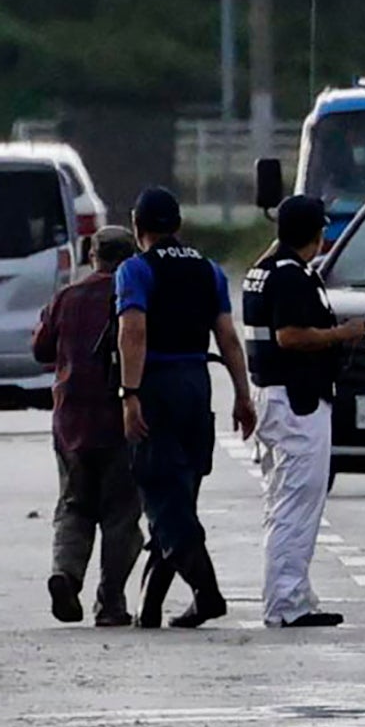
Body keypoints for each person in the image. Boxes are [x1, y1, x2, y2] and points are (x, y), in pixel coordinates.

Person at [111, 184, 257, 630]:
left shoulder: (135, 271)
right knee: (179, 499)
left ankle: (207, 592)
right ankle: (150, 608)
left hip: (157, 385)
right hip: (198, 385)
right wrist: (243, 394)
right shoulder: (209, 271)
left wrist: (129, 394)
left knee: (163, 497)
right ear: (177, 225)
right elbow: (228, 338)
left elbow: (132, 333)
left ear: (138, 229)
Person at [240, 189, 351, 628]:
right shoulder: (290, 275)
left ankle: (296, 594)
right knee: (296, 504)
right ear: (317, 233)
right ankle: (286, 602)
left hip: (279, 398)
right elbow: (291, 335)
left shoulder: (264, 270)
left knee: (287, 501)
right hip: (297, 402)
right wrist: (344, 334)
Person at [31, 225, 145, 624]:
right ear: (131, 256)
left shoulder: (67, 296)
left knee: (74, 506)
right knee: (121, 514)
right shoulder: (135, 295)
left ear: (92, 256)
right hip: (120, 418)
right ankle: (110, 602)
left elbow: (40, 349)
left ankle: (66, 574)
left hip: (71, 421)